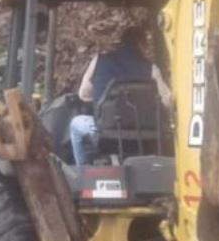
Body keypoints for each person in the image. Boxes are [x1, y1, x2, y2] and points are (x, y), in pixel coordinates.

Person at [69, 25, 172, 166]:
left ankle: (83, 169)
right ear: (141, 45)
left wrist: (102, 96)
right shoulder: (152, 69)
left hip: (106, 133)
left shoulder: (98, 60)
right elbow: (168, 101)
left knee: (76, 123)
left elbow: (83, 95)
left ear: (121, 42)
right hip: (144, 135)